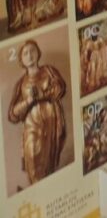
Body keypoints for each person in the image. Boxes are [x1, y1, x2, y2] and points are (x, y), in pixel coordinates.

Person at [6, 39, 67, 185]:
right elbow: (12, 115)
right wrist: (28, 101)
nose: (30, 55)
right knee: (32, 158)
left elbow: (60, 88)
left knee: (48, 164)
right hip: (32, 126)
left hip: (51, 125)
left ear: (38, 53)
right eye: (25, 53)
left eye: (32, 50)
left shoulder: (48, 71)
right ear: (21, 59)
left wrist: (43, 95)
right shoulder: (22, 83)